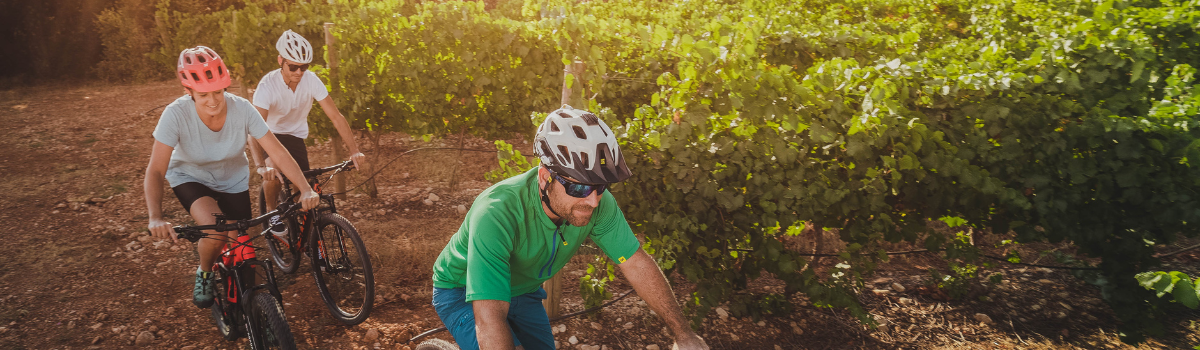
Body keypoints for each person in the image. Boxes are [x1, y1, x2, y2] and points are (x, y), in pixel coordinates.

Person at [430, 107, 710, 350]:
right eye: (579, 187)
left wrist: (685, 335)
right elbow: (489, 314)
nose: (592, 200)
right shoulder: (496, 212)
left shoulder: (597, 203)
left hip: (523, 290)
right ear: (545, 178)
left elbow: (635, 263)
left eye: (600, 186)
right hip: (462, 289)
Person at [144, 45, 319, 309]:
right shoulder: (175, 114)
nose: (213, 100)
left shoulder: (242, 109)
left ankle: (260, 310)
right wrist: (155, 216)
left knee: (245, 246)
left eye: (218, 91)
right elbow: (156, 170)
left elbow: (278, 152)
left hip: (232, 178)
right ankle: (205, 272)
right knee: (215, 231)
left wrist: (305, 188)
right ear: (188, 91)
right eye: (203, 94)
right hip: (190, 176)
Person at [249, 29, 367, 235]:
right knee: (274, 171)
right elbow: (254, 129)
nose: (299, 72)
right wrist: (262, 165)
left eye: (304, 67)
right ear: (280, 61)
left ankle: (307, 240)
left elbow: (336, 116)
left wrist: (354, 150)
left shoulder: (311, 80)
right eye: (293, 66)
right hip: (269, 134)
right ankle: (271, 211)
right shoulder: (267, 86)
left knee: (305, 194)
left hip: (295, 137)